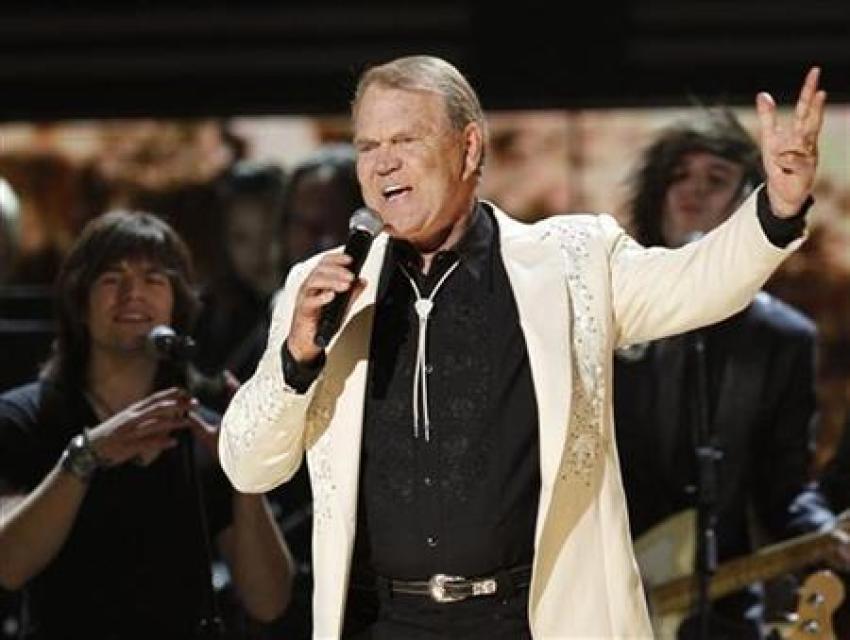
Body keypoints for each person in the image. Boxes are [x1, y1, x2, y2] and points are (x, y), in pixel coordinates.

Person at [219, 55, 826, 638]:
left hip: (527, 619)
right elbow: (247, 463)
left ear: (469, 147)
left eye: (404, 141)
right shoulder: (321, 287)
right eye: (368, 147)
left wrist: (776, 209)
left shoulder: (570, 262)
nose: (382, 165)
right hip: (384, 622)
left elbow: (699, 282)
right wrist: (296, 360)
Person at [0, 210, 294, 639]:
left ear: (177, 306)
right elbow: (8, 566)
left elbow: (268, 601)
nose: (132, 293)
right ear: (80, 303)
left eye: (154, 279)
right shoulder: (24, 417)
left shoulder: (202, 431)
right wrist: (85, 456)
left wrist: (244, 478)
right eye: (111, 279)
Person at [613, 108, 841, 638]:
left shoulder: (780, 337)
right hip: (611, 598)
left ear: (749, 199)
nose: (690, 193)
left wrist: (824, 536)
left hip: (724, 609)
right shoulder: (609, 309)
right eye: (678, 176)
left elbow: (782, 486)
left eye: (715, 179)